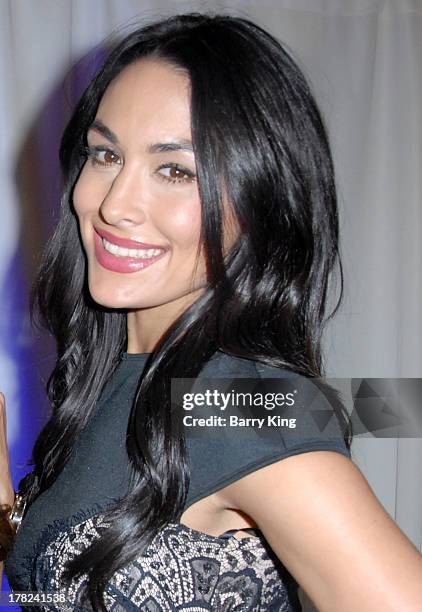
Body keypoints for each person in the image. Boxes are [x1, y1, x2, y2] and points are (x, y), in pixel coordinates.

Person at [1, 11, 422, 612]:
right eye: (105, 155)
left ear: (260, 200)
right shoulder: (116, 385)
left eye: (175, 170)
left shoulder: (229, 400)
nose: (116, 204)